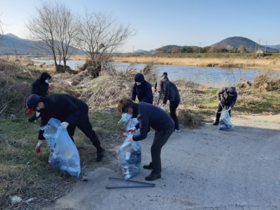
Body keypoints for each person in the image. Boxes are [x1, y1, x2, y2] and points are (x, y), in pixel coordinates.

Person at [26, 94, 105, 162]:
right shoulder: (44, 109)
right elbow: (44, 124)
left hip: (79, 110)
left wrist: (67, 122)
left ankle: (99, 149)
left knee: (88, 131)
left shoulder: (57, 100)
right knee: (68, 136)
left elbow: (74, 110)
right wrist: (40, 141)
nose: (35, 111)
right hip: (67, 116)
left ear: (39, 104)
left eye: (34, 109)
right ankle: (73, 155)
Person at [118, 98, 174, 181]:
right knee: (155, 147)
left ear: (130, 109)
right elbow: (143, 121)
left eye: (127, 112)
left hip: (166, 128)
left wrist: (131, 138)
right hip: (160, 126)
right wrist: (135, 127)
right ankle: (154, 164)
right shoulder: (140, 105)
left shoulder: (141, 113)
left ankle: (156, 172)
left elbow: (143, 135)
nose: (127, 113)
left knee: (155, 149)